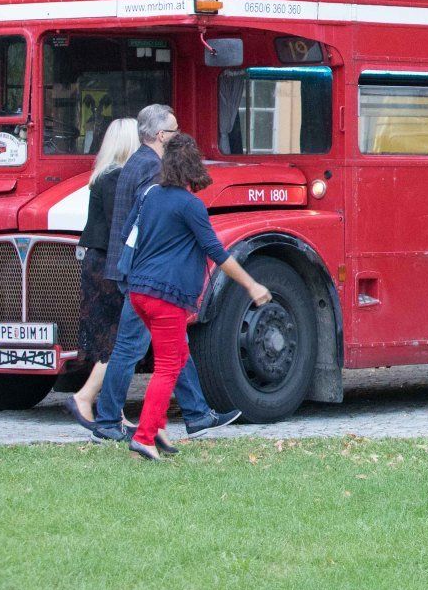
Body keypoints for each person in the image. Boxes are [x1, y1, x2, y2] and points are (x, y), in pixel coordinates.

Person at [120, 135, 273, 459]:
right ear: (192, 165)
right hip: (167, 295)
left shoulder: (150, 196)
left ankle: (157, 428)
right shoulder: (190, 205)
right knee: (168, 366)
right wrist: (252, 285)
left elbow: (128, 236)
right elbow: (217, 251)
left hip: (139, 293)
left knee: (173, 360)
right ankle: (144, 437)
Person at [90, 104, 234, 441]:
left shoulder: (137, 162)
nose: (179, 135)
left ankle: (197, 414)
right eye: (174, 130)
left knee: (173, 348)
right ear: (160, 135)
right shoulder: (152, 168)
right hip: (149, 279)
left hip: (136, 274)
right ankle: (108, 421)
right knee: (132, 350)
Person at [66, 117, 140, 428]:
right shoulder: (116, 180)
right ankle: (86, 397)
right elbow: (120, 228)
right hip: (109, 264)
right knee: (118, 339)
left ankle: (114, 408)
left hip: (97, 261)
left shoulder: (102, 177)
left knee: (114, 339)